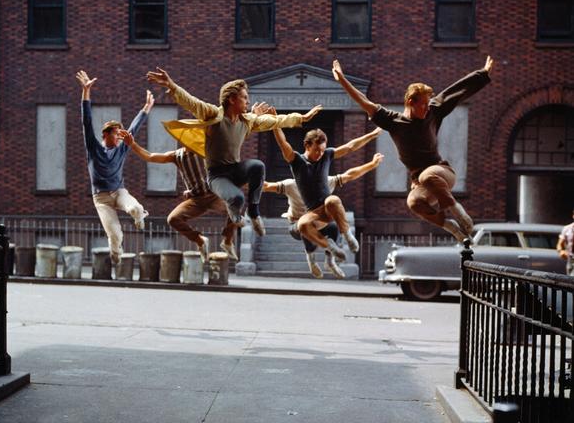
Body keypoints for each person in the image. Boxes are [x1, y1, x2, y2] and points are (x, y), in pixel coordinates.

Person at [332, 56, 494, 241]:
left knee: (427, 175)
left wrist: (482, 74)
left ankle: (458, 211)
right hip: (421, 181)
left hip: (442, 172)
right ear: (410, 101)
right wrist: (342, 80)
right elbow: (363, 101)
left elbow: (456, 92)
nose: (427, 108)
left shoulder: (434, 111)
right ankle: (452, 227)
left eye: (428, 103)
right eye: (423, 104)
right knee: (414, 202)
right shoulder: (393, 121)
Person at [146, 67, 322, 237]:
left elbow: (274, 121)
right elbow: (192, 102)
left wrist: (301, 118)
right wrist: (171, 85)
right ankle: (235, 215)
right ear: (232, 99)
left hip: (235, 169)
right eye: (244, 97)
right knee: (237, 198)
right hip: (217, 176)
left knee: (257, 166)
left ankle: (254, 213)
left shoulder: (247, 121)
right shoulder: (214, 116)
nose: (247, 101)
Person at [270, 116, 382, 279]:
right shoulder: (297, 161)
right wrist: (274, 123)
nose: (320, 154)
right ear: (307, 145)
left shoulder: (327, 155)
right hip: (313, 213)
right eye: (316, 150)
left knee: (333, 200)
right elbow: (283, 143)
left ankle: (347, 236)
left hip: (327, 209)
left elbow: (350, 147)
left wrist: (371, 136)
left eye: (322, 150)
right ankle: (329, 247)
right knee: (302, 225)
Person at [76, 70, 153, 268]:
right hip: (101, 199)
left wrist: (146, 108)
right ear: (106, 134)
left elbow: (134, 129)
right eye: (116, 134)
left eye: (121, 134)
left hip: (119, 192)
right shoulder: (93, 147)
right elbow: (86, 122)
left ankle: (139, 217)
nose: (120, 137)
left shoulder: (122, 147)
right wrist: (86, 92)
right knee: (115, 234)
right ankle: (116, 255)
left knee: (135, 208)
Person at [557, 208, 574, 276]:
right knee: (569, 279)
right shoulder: (567, 228)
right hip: (570, 259)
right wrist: (561, 251)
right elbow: (559, 244)